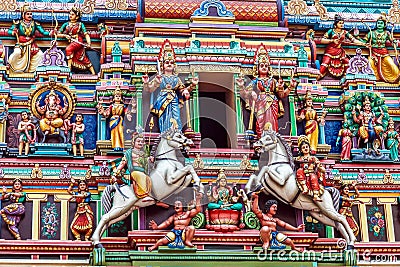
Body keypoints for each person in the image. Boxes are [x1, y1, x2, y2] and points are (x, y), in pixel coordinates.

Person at [237, 44, 296, 137]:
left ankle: (272, 138)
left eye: (266, 65)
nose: (264, 67)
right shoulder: (255, 81)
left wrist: (290, 87)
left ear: (269, 68)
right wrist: (241, 87)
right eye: (261, 65)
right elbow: (245, 95)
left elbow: (281, 95)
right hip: (260, 103)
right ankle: (261, 138)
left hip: (272, 103)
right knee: (260, 122)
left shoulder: (273, 81)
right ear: (257, 68)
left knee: (272, 123)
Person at [142, 39, 198, 133]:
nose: (169, 64)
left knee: (176, 117)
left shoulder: (176, 79)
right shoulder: (160, 77)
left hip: (174, 100)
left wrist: (192, 85)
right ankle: (164, 133)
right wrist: (146, 82)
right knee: (163, 117)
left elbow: (183, 90)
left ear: (174, 65)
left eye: (171, 62)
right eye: (167, 62)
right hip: (162, 99)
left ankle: (176, 134)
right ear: (162, 65)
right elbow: (150, 89)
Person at [7, 3, 52, 73]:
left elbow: (43, 32)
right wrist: (13, 32)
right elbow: (9, 31)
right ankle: (13, 68)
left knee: (40, 55)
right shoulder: (19, 23)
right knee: (17, 53)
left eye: (30, 14)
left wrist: (50, 33)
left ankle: (32, 71)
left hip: (31, 44)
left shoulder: (35, 23)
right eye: (27, 14)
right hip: (20, 43)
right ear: (23, 15)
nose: (29, 15)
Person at [319, 14, 366, 79]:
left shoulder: (345, 32)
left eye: (342, 23)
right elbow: (322, 40)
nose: (341, 24)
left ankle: (346, 78)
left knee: (347, 62)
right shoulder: (331, 31)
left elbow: (353, 40)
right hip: (330, 51)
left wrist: (363, 44)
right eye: (340, 23)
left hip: (339, 52)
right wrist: (332, 41)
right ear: (335, 24)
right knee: (325, 62)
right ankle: (317, 77)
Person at [111, 130, 153, 201]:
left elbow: (147, 164)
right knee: (140, 175)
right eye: (138, 141)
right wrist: (115, 174)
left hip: (143, 171)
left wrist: (150, 159)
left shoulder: (144, 154)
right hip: (134, 172)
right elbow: (122, 163)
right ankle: (144, 195)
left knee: (149, 178)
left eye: (142, 142)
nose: (140, 143)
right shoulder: (129, 153)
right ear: (133, 142)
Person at [360, 13, 400, 83]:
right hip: (373, 53)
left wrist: (395, 41)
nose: (379, 25)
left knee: (390, 63)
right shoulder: (371, 33)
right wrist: (358, 37)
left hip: (384, 53)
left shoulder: (387, 33)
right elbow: (364, 41)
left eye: (381, 23)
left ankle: (393, 78)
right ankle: (374, 79)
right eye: (378, 23)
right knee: (370, 63)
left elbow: (392, 40)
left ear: (384, 25)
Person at [57, 7, 95, 74]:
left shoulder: (80, 24)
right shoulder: (66, 24)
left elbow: (86, 34)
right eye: (70, 14)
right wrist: (65, 35)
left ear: (77, 17)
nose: (70, 16)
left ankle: (69, 68)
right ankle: (93, 72)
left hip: (78, 41)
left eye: (72, 14)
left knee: (68, 49)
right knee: (81, 57)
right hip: (72, 42)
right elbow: (58, 34)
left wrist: (89, 43)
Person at [295, 135, 325, 202]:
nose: (305, 148)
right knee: (299, 171)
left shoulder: (313, 158)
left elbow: (319, 165)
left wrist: (321, 168)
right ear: (301, 150)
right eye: (303, 148)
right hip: (303, 173)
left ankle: (315, 195)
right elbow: (292, 160)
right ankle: (304, 187)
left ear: (309, 148)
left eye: (307, 147)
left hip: (311, 172)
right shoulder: (299, 158)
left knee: (313, 178)